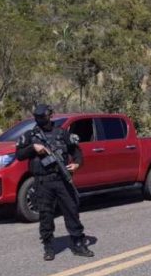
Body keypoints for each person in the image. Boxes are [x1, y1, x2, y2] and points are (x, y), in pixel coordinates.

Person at [16, 104, 94, 261]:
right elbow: (19, 155)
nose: (40, 121)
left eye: (42, 118)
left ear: (49, 116)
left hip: (62, 179)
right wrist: (33, 148)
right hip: (43, 181)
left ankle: (78, 243)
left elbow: (76, 151)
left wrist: (77, 164)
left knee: (71, 210)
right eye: (37, 118)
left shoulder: (62, 133)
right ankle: (49, 247)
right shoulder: (30, 136)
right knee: (45, 214)